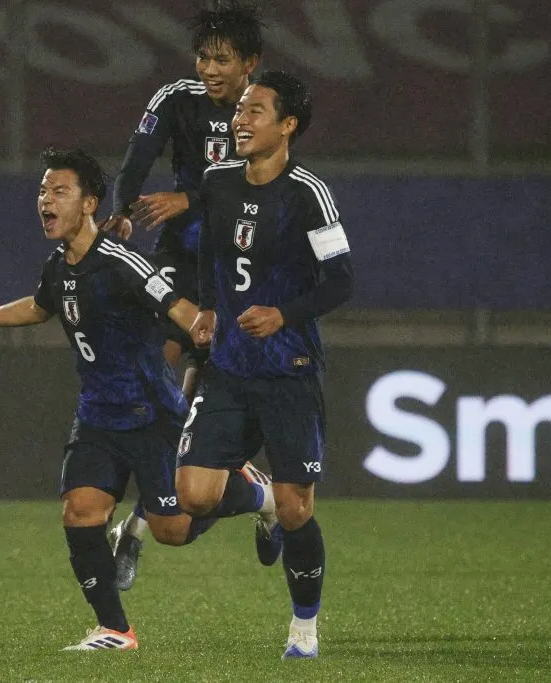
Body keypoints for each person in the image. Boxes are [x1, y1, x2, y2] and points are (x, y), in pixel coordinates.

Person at [0, 147, 272, 652]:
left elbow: (176, 305)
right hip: (97, 415)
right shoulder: (58, 264)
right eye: (43, 190)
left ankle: (257, 496)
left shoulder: (120, 262)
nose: (46, 200)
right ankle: (115, 629)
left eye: (59, 191)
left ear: (89, 203)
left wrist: (211, 329)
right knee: (81, 511)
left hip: (152, 414)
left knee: (173, 530)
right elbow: (41, 307)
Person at [102, 0, 274, 593]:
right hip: (179, 267)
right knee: (153, 386)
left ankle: (247, 498)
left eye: (222, 58)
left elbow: (262, 189)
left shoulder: (268, 112)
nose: (208, 67)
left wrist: (188, 200)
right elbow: (135, 160)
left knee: (197, 440)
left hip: (237, 274)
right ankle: (163, 514)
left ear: (251, 63)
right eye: (203, 55)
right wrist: (122, 211)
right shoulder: (175, 99)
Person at [185, 70, 355, 660]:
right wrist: (208, 307)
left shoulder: (308, 194)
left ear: (288, 126)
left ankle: (303, 628)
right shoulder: (218, 181)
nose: (240, 120)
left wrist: (284, 314)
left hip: (288, 368)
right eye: (240, 111)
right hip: (230, 366)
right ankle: (256, 500)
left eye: (256, 111)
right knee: (193, 496)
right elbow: (210, 246)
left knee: (299, 508)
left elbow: (342, 281)